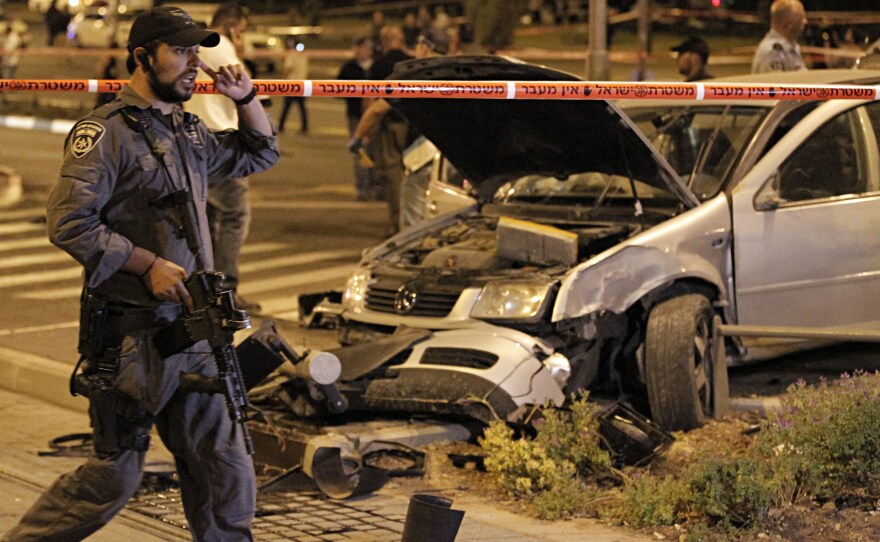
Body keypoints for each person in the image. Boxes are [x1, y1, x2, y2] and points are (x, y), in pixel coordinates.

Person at [2, 6, 278, 541]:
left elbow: (258, 153)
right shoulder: (104, 133)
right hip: (134, 338)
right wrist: (146, 263)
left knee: (226, 474)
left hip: (196, 333)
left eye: (196, 53)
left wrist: (246, 99)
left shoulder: (188, 131)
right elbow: (68, 222)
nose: (192, 65)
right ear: (142, 57)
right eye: (180, 52)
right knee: (113, 476)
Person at [183, 3, 261, 313]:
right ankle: (226, 290)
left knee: (208, 218)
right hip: (222, 141)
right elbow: (247, 91)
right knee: (234, 217)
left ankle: (208, 288)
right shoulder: (223, 47)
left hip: (195, 138)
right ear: (231, 28)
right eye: (240, 30)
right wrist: (238, 52)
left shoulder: (194, 45)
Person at [350, 29, 448, 232]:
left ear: (424, 46)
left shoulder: (416, 74)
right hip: (453, 158)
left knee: (412, 218)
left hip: (423, 155)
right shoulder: (461, 74)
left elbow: (377, 108)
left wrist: (359, 136)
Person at [350, 24, 413, 234]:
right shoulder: (412, 63)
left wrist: (364, 131)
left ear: (384, 42)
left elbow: (370, 101)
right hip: (413, 126)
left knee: (393, 176)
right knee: (414, 175)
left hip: (389, 126)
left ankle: (400, 226)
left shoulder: (379, 65)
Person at [337, 36, 377, 201]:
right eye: (363, 47)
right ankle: (363, 189)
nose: (366, 51)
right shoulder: (349, 68)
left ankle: (378, 188)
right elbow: (337, 88)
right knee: (359, 152)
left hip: (376, 118)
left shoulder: (377, 67)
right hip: (356, 116)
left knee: (376, 152)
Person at [751, 0, 807, 74]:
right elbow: (775, 83)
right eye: (801, 18)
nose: (805, 21)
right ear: (789, 24)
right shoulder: (771, 52)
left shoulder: (791, 47)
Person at [277, 35, 309, 134]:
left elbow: (288, 69)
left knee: (286, 106)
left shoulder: (291, 55)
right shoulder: (303, 55)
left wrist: (283, 82)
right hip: (302, 84)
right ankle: (304, 126)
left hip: (292, 84)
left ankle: (281, 125)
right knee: (302, 107)